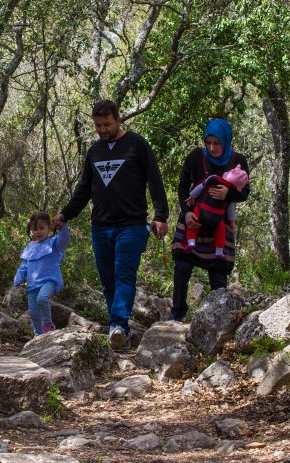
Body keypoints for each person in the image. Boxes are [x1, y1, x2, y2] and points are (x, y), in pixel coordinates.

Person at [52, 99, 169, 350]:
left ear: (118, 120)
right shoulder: (95, 151)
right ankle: (121, 332)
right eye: (97, 126)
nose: (102, 130)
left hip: (132, 225)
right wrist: (65, 214)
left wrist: (161, 216)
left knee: (124, 275)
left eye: (106, 124)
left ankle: (117, 324)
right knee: (108, 281)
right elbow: (84, 189)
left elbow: (154, 180)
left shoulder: (137, 145)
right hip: (101, 226)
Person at [170, 118, 250, 321]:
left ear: (226, 141)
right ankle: (177, 313)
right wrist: (186, 213)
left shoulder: (238, 161)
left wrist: (228, 194)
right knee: (182, 266)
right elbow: (182, 186)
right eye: (209, 143)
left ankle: (217, 320)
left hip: (219, 224)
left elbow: (245, 192)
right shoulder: (195, 157)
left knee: (218, 273)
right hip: (193, 219)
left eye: (217, 143)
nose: (212, 148)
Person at [13, 212, 70, 336]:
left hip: (49, 280)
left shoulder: (53, 243)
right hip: (32, 285)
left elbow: (64, 240)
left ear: (49, 228)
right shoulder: (30, 247)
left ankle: (48, 325)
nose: (38, 232)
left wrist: (62, 227)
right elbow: (24, 265)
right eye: (34, 229)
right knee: (33, 312)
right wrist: (18, 277)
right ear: (31, 231)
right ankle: (38, 335)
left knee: (42, 299)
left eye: (41, 228)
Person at [183, 166, 250, 257]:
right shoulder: (230, 192)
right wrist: (232, 221)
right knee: (220, 233)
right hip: (217, 218)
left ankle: (191, 243)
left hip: (201, 210)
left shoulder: (213, 179)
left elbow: (201, 187)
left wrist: (192, 196)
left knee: (193, 226)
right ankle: (219, 252)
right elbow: (231, 209)